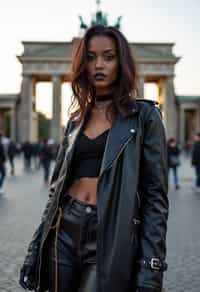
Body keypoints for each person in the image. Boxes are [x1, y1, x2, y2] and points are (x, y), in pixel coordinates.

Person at [19, 25, 168, 292]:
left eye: (108, 57)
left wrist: (151, 265)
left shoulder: (145, 117)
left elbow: (155, 198)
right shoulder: (76, 121)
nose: (98, 64)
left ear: (121, 62)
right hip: (63, 229)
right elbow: (56, 191)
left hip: (109, 233)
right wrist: (34, 250)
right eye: (90, 57)